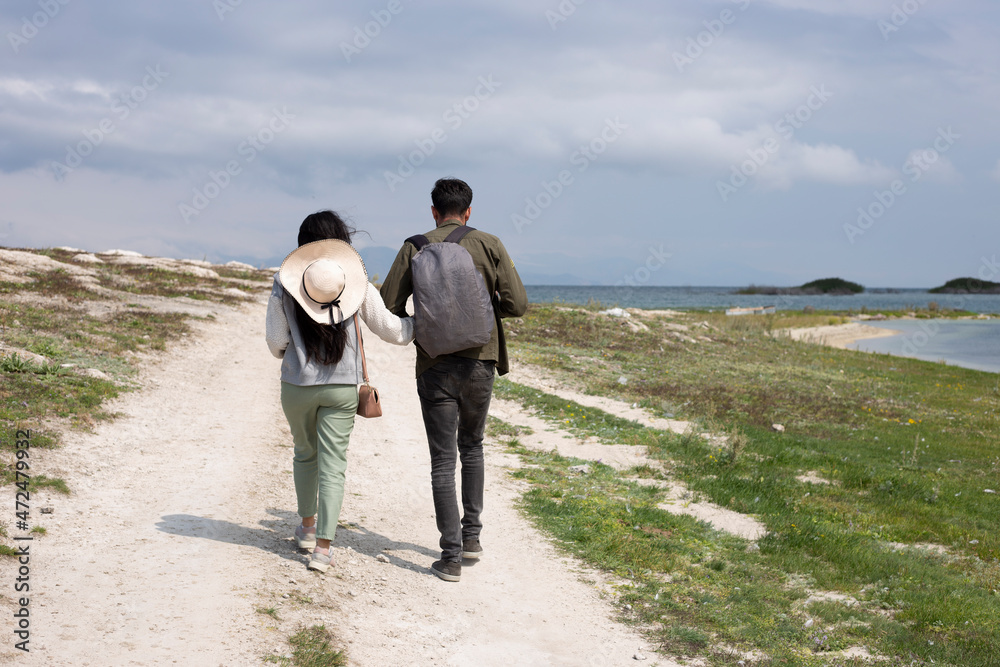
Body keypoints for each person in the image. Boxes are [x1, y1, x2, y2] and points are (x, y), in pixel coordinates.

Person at [380, 178, 527, 582]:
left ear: (433, 211)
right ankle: (473, 538)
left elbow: (388, 305)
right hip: (481, 361)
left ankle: (450, 557)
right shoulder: (490, 243)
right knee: (473, 447)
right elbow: (518, 304)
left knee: (443, 460)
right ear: (468, 211)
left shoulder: (415, 245)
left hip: (434, 365)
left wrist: (427, 320)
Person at [266, 211, 414, 572]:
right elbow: (392, 331)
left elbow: (275, 342)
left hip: (297, 386)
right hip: (342, 388)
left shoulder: (283, 282)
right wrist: (420, 323)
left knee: (305, 455)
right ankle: (322, 549)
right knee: (333, 466)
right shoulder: (354, 280)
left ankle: (305, 527)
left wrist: (297, 354)